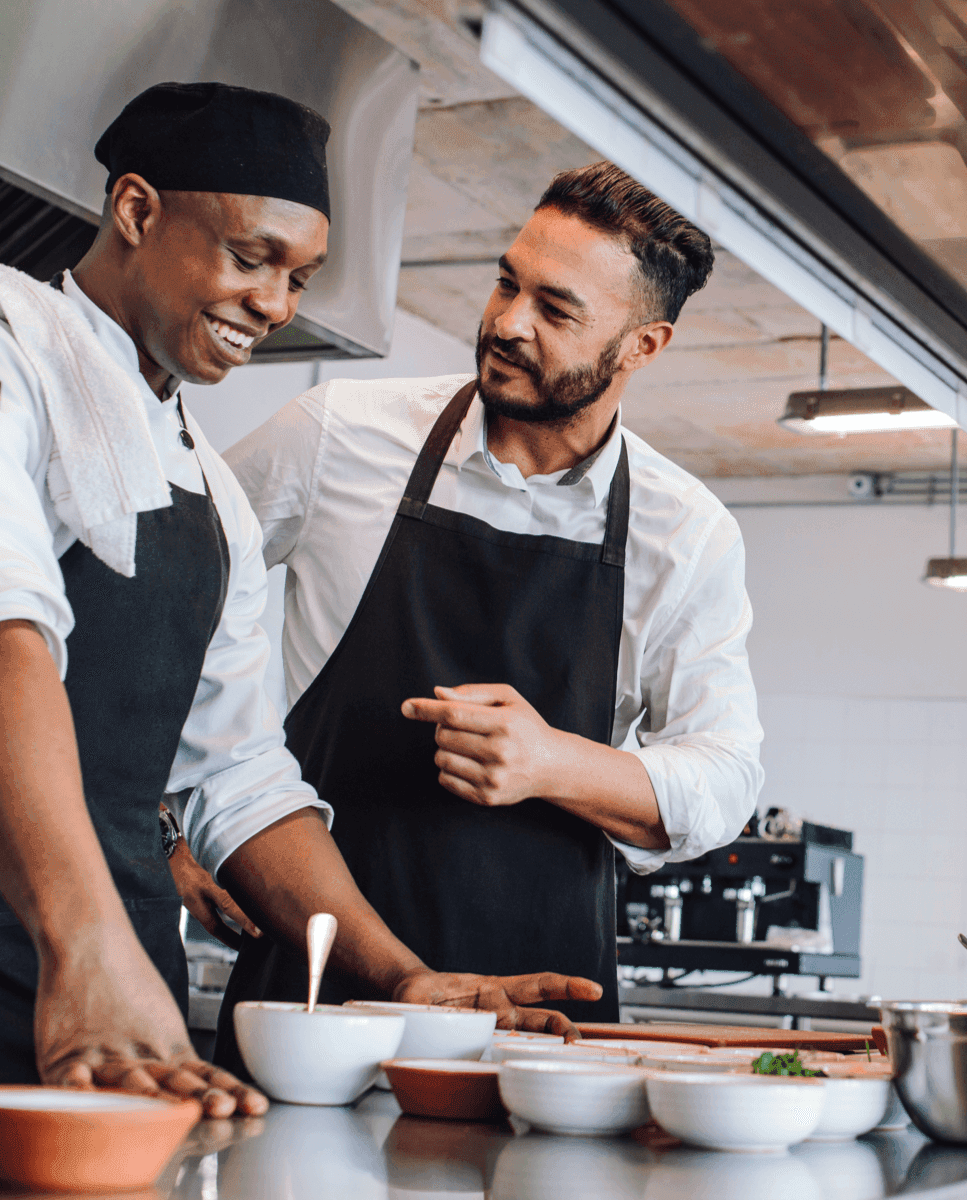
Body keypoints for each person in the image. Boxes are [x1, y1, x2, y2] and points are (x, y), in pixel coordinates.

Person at [0, 82, 593, 1113]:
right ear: (137, 211)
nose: (276, 305)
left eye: (301, 277)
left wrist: (399, 975)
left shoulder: (214, 494)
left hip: (118, 1004)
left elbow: (237, 778)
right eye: (249, 256)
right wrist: (82, 940)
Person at [212, 162, 763, 1069]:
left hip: (541, 1024)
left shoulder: (686, 531)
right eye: (508, 281)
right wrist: (173, 825)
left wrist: (552, 761)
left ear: (642, 346)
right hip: (313, 992)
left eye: (557, 308)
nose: (507, 321)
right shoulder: (336, 435)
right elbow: (162, 601)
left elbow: (727, 778)